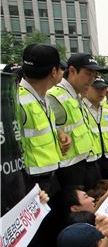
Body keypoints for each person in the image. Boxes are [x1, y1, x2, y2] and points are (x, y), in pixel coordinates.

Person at [47, 53, 108, 189]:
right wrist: (58, 134)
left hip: (84, 163)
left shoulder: (76, 95)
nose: (92, 80)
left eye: (94, 76)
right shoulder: (55, 97)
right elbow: (44, 128)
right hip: (68, 171)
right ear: (73, 71)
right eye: (88, 74)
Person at [17, 44, 68, 195]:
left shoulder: (40, 97)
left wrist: (59, 134)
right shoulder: (18, 101)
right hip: (32, 183)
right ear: (54, 71)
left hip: (49, 175)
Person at [83, 76, 108, 180]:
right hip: (91, 160)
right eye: (97, 89)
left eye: (103, 89)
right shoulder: (80, 108)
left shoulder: (107, 109)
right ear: (88, 88)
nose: (101, 92)